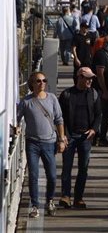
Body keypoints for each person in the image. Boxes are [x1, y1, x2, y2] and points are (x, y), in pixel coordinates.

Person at [18, 72, 66, 218]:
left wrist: (62, 139)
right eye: (38, 81)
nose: (42, 83)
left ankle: (50, 201)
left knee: (51, 175)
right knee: (33, 175)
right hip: (32, 142)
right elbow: (17, 118)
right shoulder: (26, 101)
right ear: (32, 83)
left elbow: (59, 119)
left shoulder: (52, 99)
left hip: (49, 142)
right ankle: (35, 205)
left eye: (44, 80)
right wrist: (17, 128)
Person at [58, 67, 101, 210]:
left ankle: (78, 198)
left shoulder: (93, 94)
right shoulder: (67, 94)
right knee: (67, 167)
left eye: (91, 78)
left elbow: (98, 115)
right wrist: (63, 135)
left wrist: (94, 129)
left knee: (83, 168)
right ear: (79, 77)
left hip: (85, 137)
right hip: (70, 136)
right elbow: (60, 117)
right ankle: (65, 196)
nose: (89, 81)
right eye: (87, 78)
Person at [92, 35, 108, 146]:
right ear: (104, 43)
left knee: (106, 114)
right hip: (101, 90)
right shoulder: (101, 54)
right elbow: (100, 74)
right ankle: (97, 137)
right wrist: (105, 90)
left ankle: (102, 137)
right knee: (101, 114)